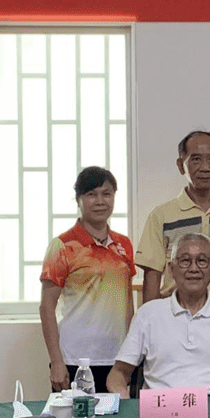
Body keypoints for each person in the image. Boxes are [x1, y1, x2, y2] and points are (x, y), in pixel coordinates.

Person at [107, 233, 210, 397]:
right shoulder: (147, 314)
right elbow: (118, 374)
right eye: (185, 261)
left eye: (202, 261)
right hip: (161, 408)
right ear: (171, 268)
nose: (193, 268)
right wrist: (125, 399)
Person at [39, 166, 135, 393]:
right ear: (78, 200)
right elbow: (47, 307)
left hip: (117, 361)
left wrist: (132, 354)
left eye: (106, 194)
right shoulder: (63, 246)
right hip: (75, 361)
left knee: (118, 415)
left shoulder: (123, 244)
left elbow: (128, 302)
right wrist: (57, 361)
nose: (100, 201)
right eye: (91, 194)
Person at [135, 131, 210, 302]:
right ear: (181, 165)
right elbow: (152, 274)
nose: (205, 167)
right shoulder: (161, 215)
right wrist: (150, 316)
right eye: (196, 159)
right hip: (173, 310)